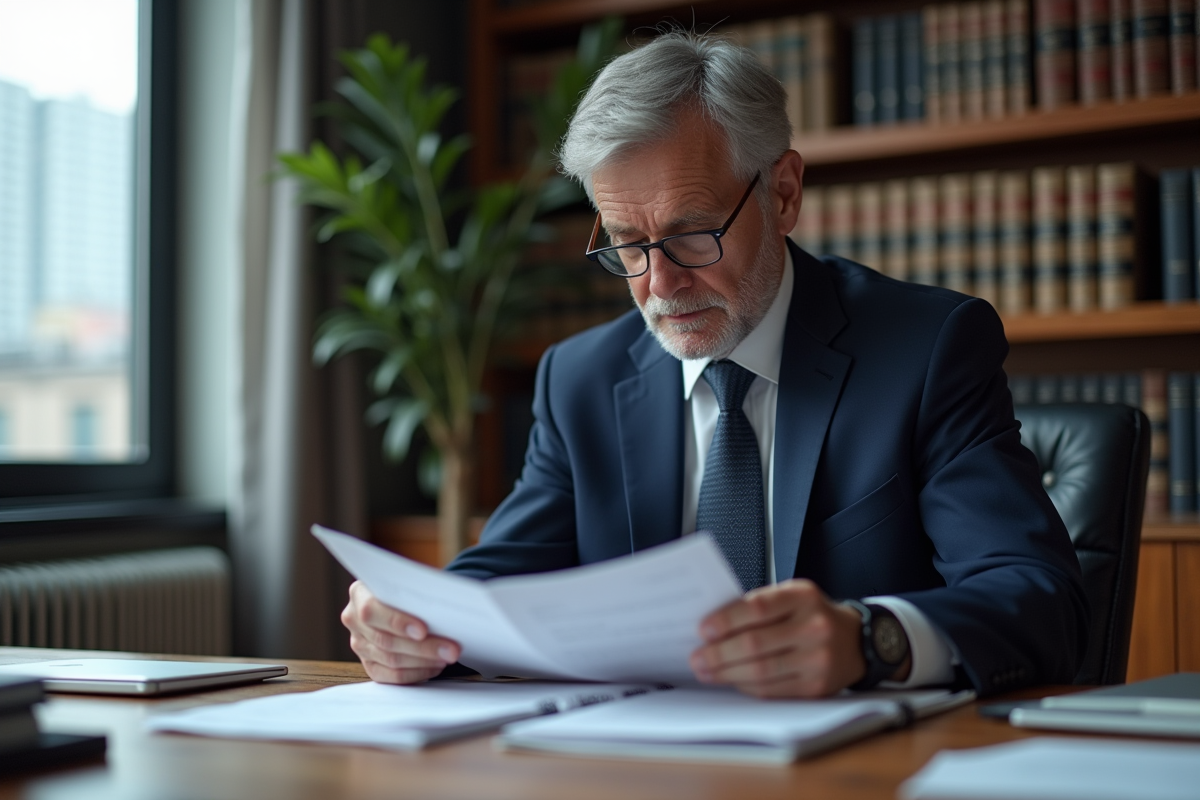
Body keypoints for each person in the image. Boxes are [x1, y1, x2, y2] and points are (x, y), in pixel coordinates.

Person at [341, 31, 1088, 698]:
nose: (659, 284)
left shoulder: (927, 349)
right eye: (627, 243)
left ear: (785, 193)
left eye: (693, 233)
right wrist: (411, 627)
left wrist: (870, 638)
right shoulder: (581, 382)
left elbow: (1041, 597)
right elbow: (496, 583)